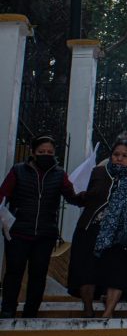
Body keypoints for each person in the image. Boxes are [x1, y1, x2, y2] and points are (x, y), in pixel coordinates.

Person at [67, 136, 127, 318]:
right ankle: (88, 309)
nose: (119, 158)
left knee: (117, 272)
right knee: (87, 271)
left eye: (124, 155)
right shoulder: (99, 172)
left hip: (122, 232)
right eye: (116, 154)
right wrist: (80, 195)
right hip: (92, 228)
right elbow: (85, 194)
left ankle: (108, 313)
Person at [0, 136, 81, 318]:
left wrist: (88, 196)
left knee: (38, 274)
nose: (46, 155)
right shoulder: (18, 171)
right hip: (18, 232)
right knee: (14, 273)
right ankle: (7, 310)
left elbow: (72, 196)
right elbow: (3, 194)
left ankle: (31, 312)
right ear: (33, 153)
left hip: (45, 234)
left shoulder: (59, 175)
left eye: (49, 152)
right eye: (41, 152)